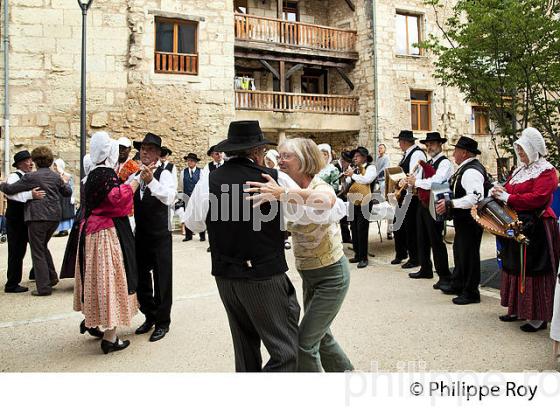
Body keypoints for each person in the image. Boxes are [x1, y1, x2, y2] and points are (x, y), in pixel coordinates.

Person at [185, 120, 301, 372]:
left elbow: (193, 224)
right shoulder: (272, 178)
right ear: (257, 152)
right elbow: (303, 212)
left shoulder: (209, 180)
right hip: (263, 274)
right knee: (285, 352)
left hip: (226, 275)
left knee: (245, 349)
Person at [246, 137, 353, 372]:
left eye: (287, 156)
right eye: (279, 155)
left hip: (332, 277)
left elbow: (327, 200)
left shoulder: (318, 186)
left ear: (304, 160)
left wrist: (282, 193)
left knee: (304, 344)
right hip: (310, 276)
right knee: (322, 337)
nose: (280, 161)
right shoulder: (284, 188)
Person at [74, 132, 140, 354]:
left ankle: (94, 323)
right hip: (104, 233)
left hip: (92, 232)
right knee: (110, 281)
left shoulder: (92, 173)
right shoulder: (104, 174)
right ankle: (110, 338)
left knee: (96, 280)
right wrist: (135, 183)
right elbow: (116, 201)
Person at [492, 128, 559, 331]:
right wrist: (500, 190)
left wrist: (509, 198)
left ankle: (538, 316)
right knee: (514, 265)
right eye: (518, 149)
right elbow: (511, 188)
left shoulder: (546, 171)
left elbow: (539, 197)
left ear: (532, 149)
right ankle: (517, 309)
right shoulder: (521, 170)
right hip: (516, 222)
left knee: (534, 268)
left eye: (522, 150)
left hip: (537, 225)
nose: (519, 153)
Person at [0, 147, 72, 296]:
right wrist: (62, 180)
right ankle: (51, 277)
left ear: (35, 160)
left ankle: (43, 287)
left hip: (38, 218)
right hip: (54, 217)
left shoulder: (31, 177)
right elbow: (67, 192)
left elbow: (10, 189)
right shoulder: (54, 176)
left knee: (37, 251)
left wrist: (1, 184)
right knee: (42, 247)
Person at [131, 133, 177, 342]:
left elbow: (169, 197)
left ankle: (163, 322)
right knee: (140, 278)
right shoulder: (135, 174)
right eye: (142, 149)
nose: (145, 152)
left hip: (159, 234)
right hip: (141, 233)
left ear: (158, 153)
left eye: (149, 149)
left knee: (162, 279)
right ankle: (150, 315)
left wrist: (151, 182)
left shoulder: (167, 171)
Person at [436, 136, 490, 305]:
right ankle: (459, 283)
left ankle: (471, 291)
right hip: (464, 220)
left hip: (470, 220)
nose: (453, 154)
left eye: (456, 151)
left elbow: (475, 197)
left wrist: (451, 203)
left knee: (469, 255)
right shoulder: (465, 168)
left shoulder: (471, 171)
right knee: (460, 252)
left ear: (465, 153)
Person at [406, 132, 453, 288]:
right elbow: (418, 180)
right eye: (428, 144)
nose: (429, 147)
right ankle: (425, 268)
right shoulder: (428, 162)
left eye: (432, 144)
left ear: (440, 145)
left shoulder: (444, 163)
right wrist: (408, 181)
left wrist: (417, 181)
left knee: (435, 240)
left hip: (436, 204)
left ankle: (444, 275)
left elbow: (436, 182)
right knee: (422, 238)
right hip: (423, 202)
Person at [2, 150, 45, 293]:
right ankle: (12, 284)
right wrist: (30, 195)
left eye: (31, 160)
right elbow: (10, 194)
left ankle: (34, 273)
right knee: (16, 251)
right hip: (16, 219)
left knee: (35, 247)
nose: (31, 163)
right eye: (28, 161)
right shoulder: (14, 177)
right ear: (20, 164)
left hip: (26, 218)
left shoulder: (28, 176)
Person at [391, 130, 425, 269]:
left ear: (404, 142)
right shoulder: (407, 154)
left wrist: (401, 182)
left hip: (411, 195)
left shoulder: (416, 153)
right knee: (398, 224)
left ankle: (415, 258)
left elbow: (412, 175)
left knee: (410, 227)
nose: (399, 144)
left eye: (400, 141)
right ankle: (401, 253)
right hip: (405, 194)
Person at [344, 146, 377, 268]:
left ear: (364, 157)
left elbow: (366, 180)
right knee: (353, 227)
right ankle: (357, 254)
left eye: (357, 156)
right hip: (353, 200)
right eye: (354, 157)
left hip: (365, 201)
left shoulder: (371, 168)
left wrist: (352, 175)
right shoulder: (355, 168)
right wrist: (347, 175)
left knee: (362, 229)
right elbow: (349, 181)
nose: (354, 158)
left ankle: (364, 258)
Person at [179, 153, 205, 242]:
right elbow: (181, 185)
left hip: (198, 197)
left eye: (192, 161)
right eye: (188, 160)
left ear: (195, 162)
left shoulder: (201, 172)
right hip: (187, 197)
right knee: (187, 216)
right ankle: (188, 235)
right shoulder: (183, 172)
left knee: (200, 216)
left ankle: (202, 235)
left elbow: (202, 185)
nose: (189, 162)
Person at [52, 159, 75, 237]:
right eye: (54, 165)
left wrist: (72, 197)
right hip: (58, 197)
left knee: (65, 213)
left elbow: (71, 186)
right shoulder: (54, 175)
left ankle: (64, 229)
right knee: (60, 213)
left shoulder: (67, 175)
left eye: (56, 165)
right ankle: (60, 229)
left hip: (65, 197)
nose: (54, 167)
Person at [335, 151, 353, 244]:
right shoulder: (334, 167)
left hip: (344, 193)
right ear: (343, 161)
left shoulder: (347, 167)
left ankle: (346, 237)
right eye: (347, 163)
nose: (348, 165)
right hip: (335, 194)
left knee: (344, 215)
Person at [375, 144, 392, 240]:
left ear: (385, 149)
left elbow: (384, 169)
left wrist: (376, 175)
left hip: (383, 182)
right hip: (377, 181)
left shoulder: (386, 158)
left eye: (381, 148)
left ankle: (389, 231)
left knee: (387, 205)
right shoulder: (377, 158)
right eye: (379, 148)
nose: (379, 149)